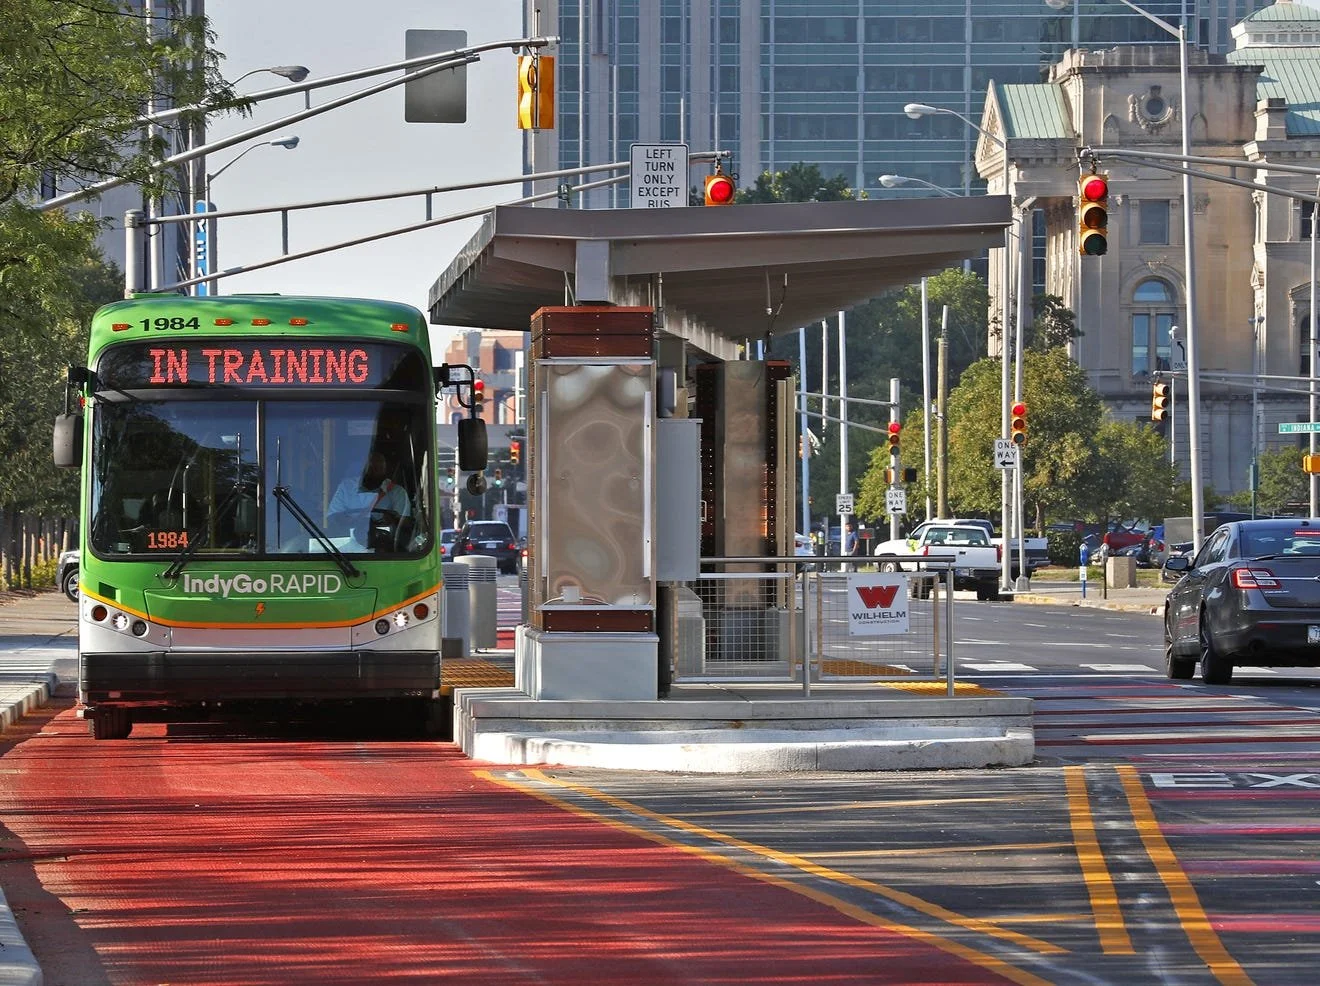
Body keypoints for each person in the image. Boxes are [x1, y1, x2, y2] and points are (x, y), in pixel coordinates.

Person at [327, 450, 411, 548]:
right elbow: (332, 517)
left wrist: (394, 519)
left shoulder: (397, 492)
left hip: (386, 547)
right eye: (371, 466)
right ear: (362, 467)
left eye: (379, 466)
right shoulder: (346, 487)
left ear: (386, 469)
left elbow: (405, 523)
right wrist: (348, 521)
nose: (375, 469)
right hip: (346, 548)